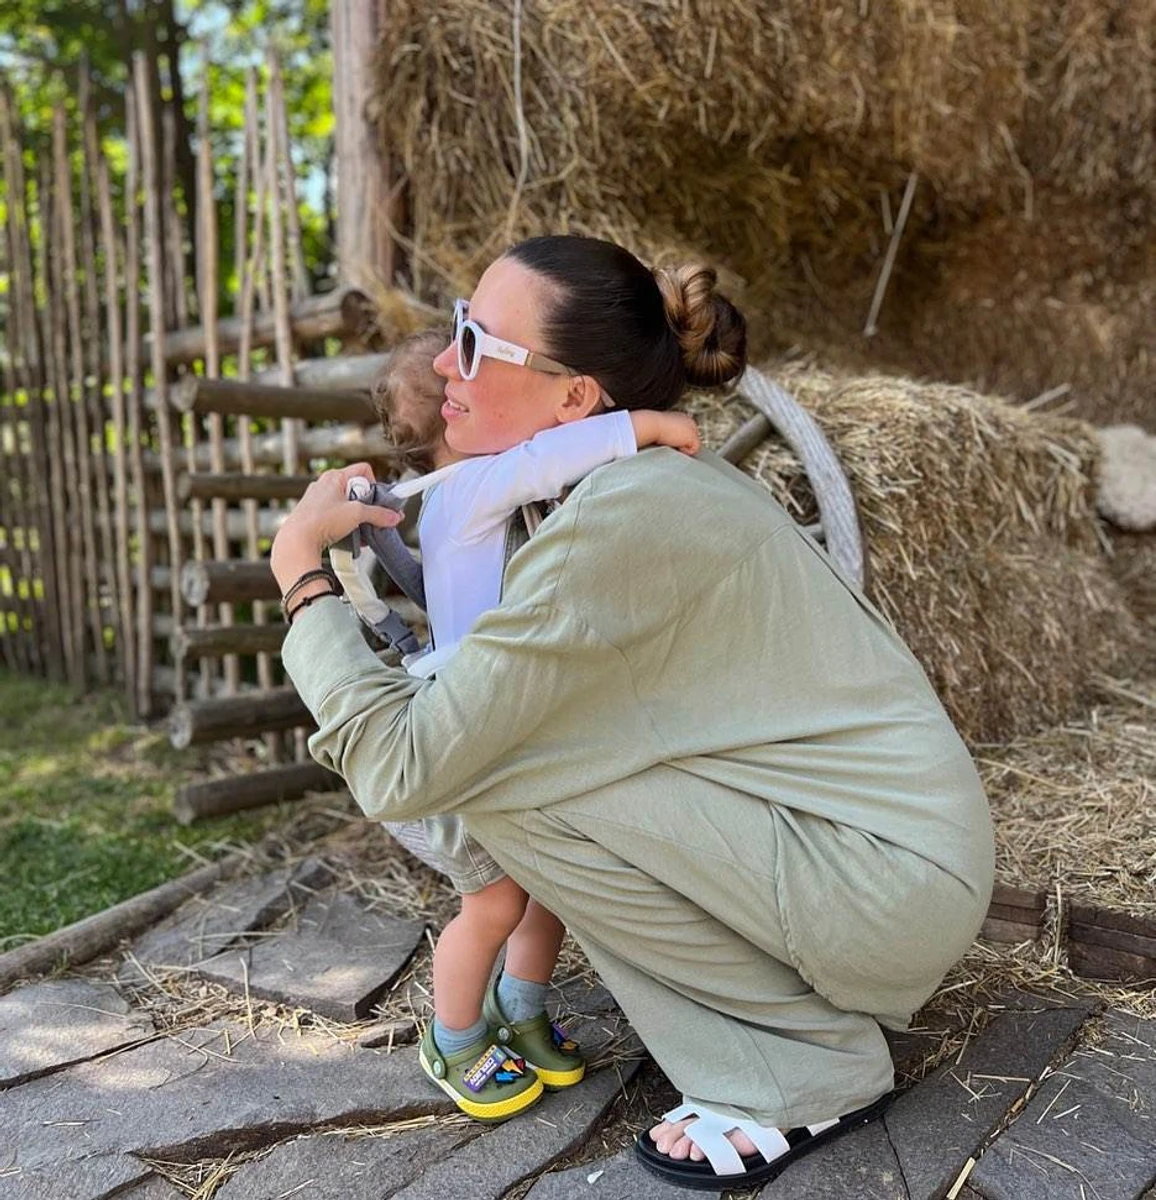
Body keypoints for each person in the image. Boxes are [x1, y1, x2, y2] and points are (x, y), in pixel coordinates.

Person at [271, 234, 995, 1191]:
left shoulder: (620, 521)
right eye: (457, 330)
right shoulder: (618, 492)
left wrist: (300, 576)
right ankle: (783, 1033)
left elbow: (406, 766)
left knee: (496, 779)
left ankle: (800, 1071)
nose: (446, 362)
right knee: (506, 757)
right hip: (880, 865)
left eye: (479, 345)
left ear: (576, 399)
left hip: (884, 888)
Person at [338, 328, 701, 1122]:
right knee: (495, 901)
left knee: (547, 891)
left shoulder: (476, 494)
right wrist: (648, 427)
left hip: (518, 727)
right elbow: (544, 458)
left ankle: (522, 1005)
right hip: (474, 734)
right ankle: (455, 1036)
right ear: (460, 422)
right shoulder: (477, 487)